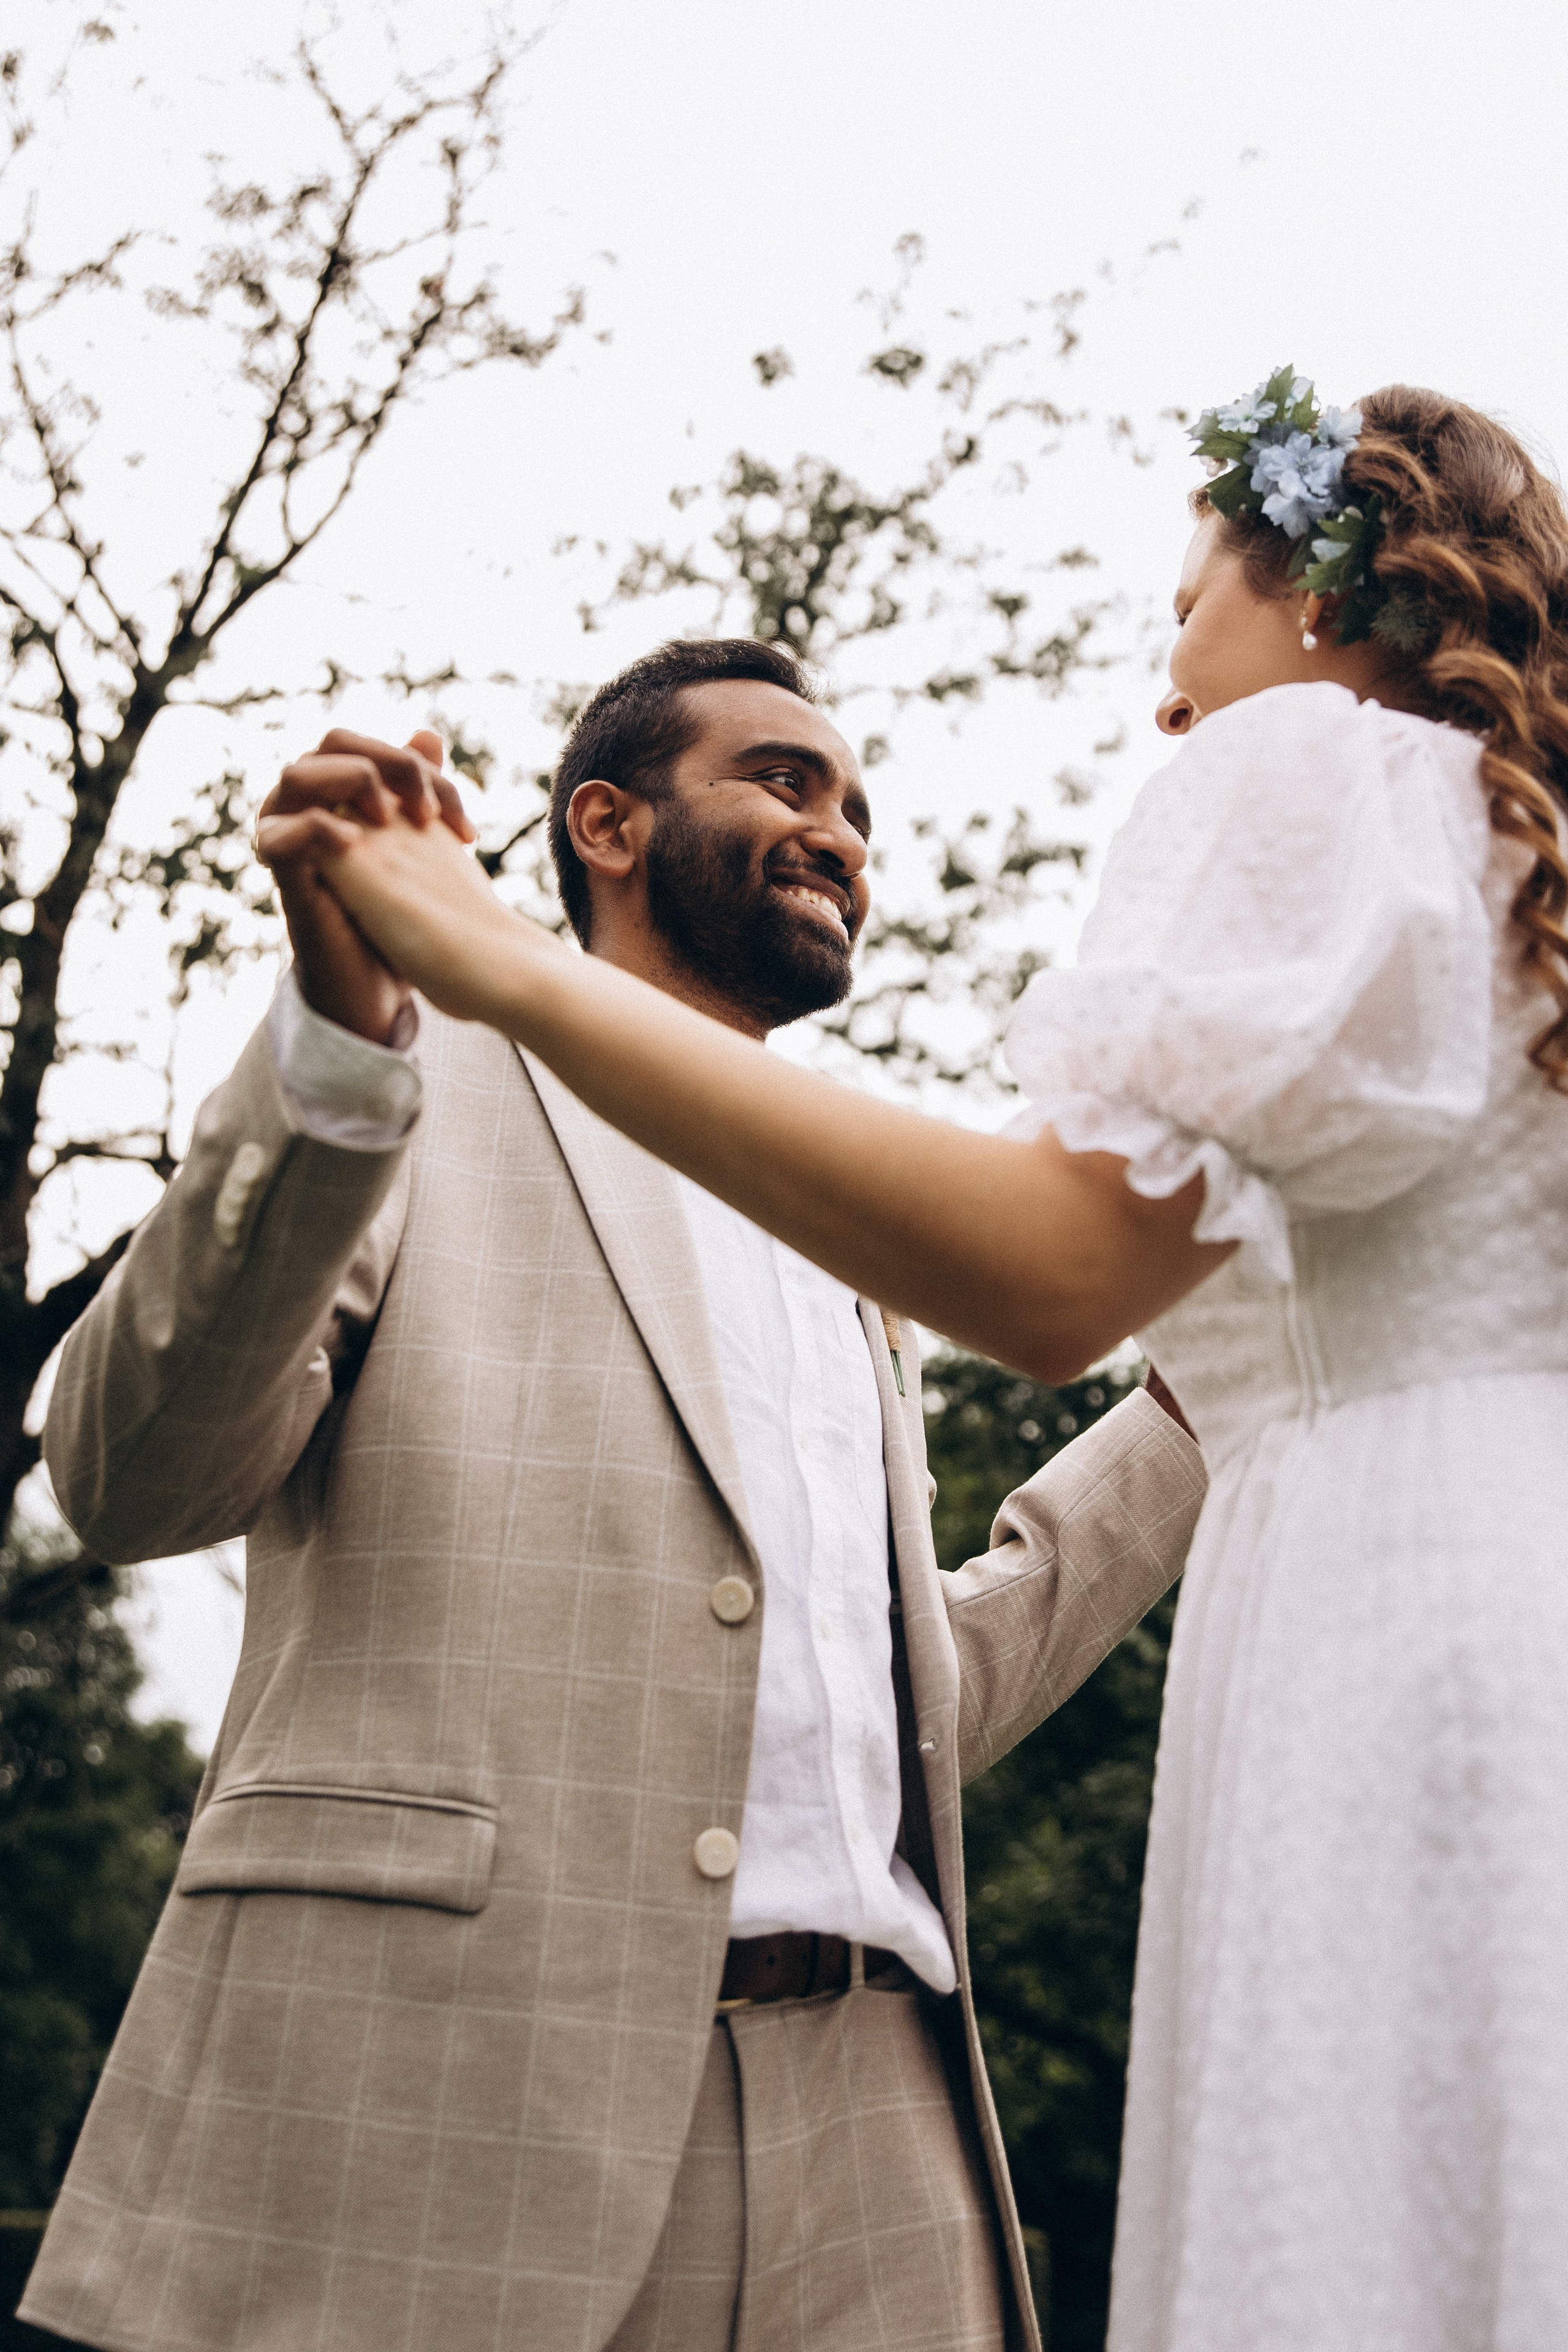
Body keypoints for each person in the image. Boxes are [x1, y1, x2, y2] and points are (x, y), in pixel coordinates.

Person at [288, 380, 1568, 2350]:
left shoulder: (1317, 765)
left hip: (1394, 1639)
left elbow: (1051, 1275)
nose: (1169, 697)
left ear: (1318, 594)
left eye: (1185, 615)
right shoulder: (1518, 865)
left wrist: (500, 964)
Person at [22, 637, 1207, 2352]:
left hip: (886, 2120)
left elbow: (912, 1708)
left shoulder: (852, 1224)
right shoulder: (410, 1074)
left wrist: (1192, 1428)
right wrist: (338, 1048)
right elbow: (129, 1481)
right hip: (455, 2089)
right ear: (607, 825)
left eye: (860, 811)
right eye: (783, 780)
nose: (840, 832)